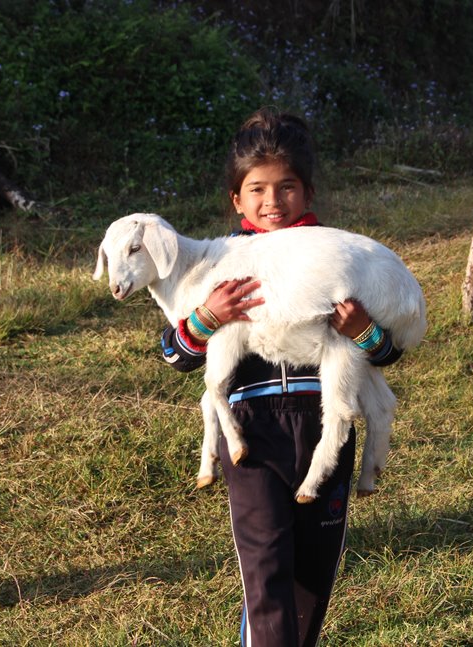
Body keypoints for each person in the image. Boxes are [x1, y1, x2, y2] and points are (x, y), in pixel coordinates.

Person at [160, 107, 403, 646]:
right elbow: (175, 354)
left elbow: (386, 354)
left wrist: (364, 330)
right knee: (266, 576)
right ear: (236, 200)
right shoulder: (220, 267)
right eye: (258, 189)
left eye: (288, 187)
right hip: (254, 435)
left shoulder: (339, 261)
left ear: (309, 193)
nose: (273, 202)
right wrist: (206, 318)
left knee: (312, 581)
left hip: (326, 431)